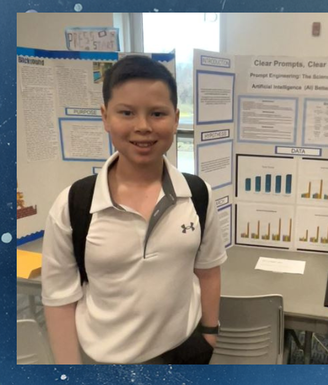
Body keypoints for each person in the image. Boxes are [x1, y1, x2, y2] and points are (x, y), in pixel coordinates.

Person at [42, 56, 226, 365]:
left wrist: (209, 334)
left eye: (157, 113)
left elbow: (208, 270)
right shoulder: (74, 204)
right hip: (104, 363)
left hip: (184, 353)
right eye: (127, 113)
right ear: (105, 117)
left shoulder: (197, 194)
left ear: (176, 119)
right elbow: (59, 300)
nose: (143, 127)